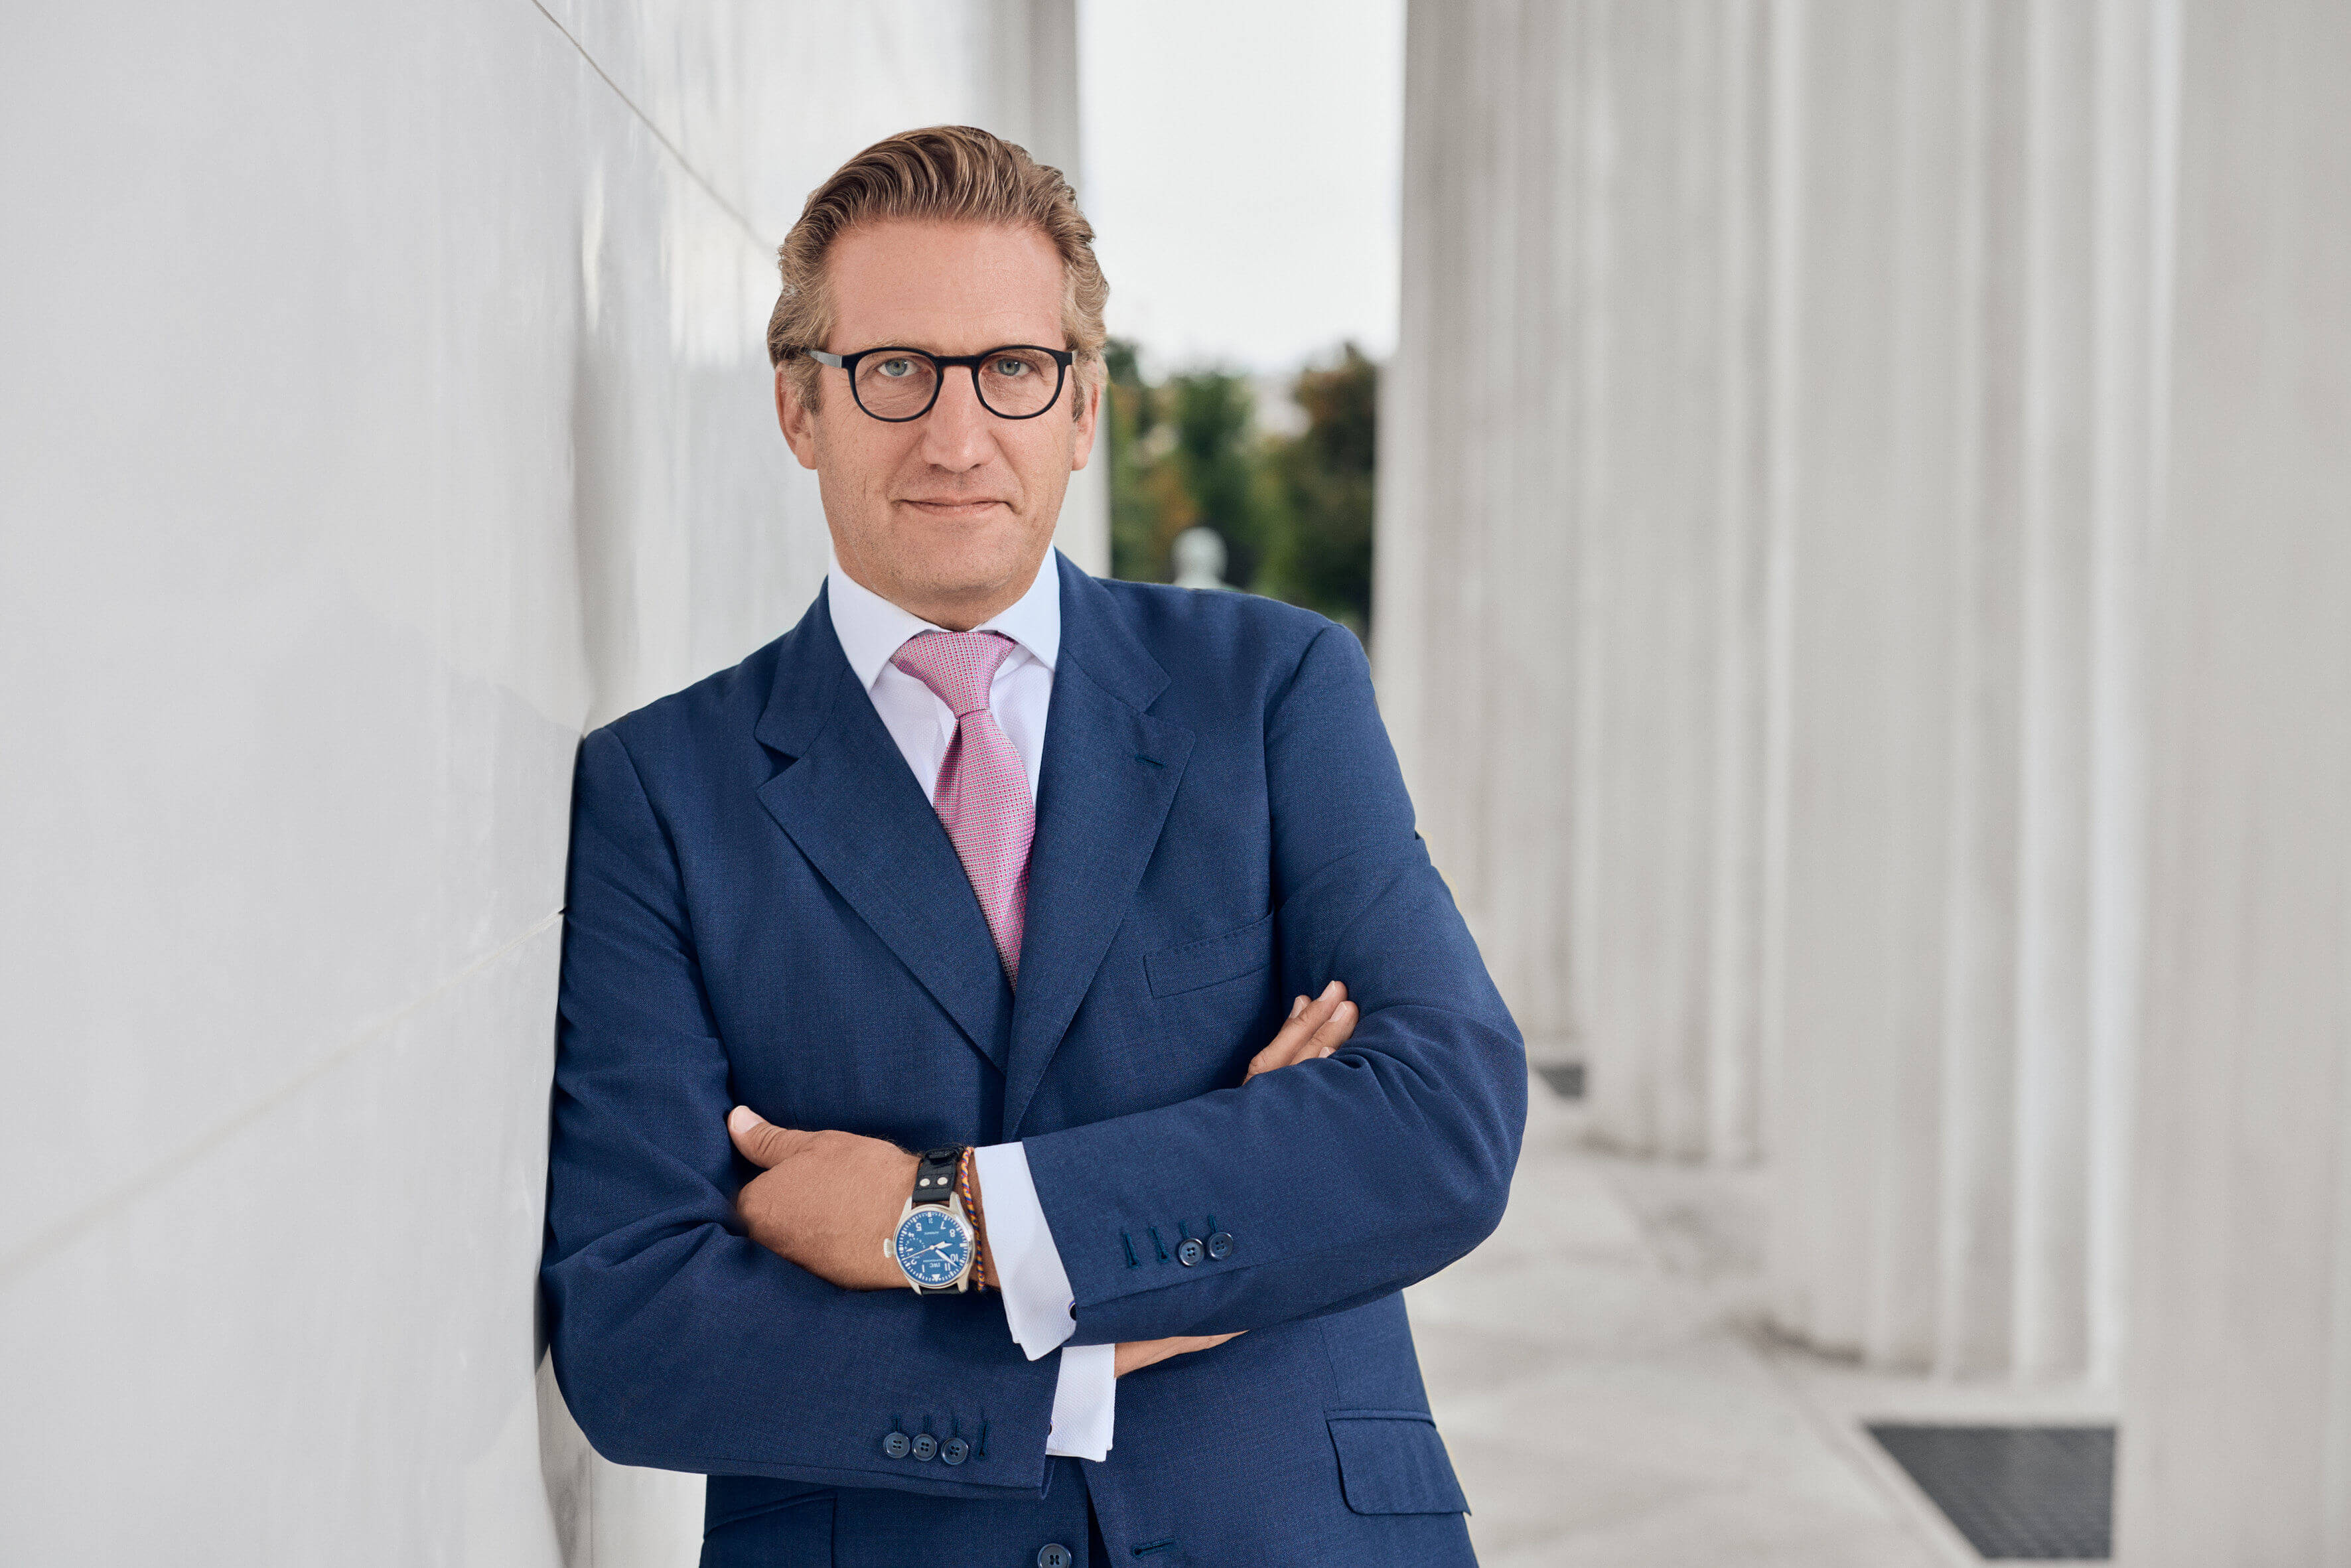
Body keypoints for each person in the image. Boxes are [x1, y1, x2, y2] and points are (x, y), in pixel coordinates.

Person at [541, 125, 1526, 1567]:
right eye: (894, 371)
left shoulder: (1271, 692)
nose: (956, 438)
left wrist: (935, 1220)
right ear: (800, 407)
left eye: (1012, 368)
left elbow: (1440, 1122)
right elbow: (638, 1334)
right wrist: (1110, 1341)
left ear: (1081, 409)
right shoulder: (661, 790)